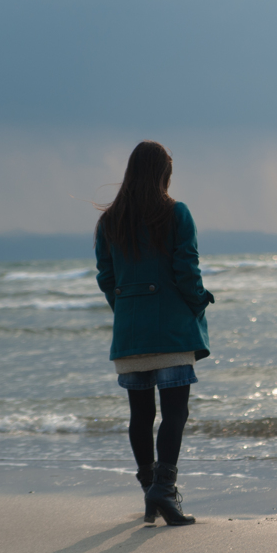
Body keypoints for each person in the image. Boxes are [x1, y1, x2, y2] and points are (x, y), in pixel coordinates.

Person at [94, 140, 214, 525]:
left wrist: (128, 313)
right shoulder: (176, 214)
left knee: (140, 415)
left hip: (130, 334)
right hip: (173, 331)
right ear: (163, 173)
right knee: (175, 413)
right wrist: (199, 303)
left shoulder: (109, 222)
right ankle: (163, 488)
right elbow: (187, 270)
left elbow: (106, 278)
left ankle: (150, 490)